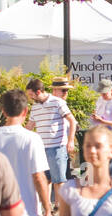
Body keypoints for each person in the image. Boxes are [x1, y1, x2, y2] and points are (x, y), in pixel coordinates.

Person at [27, 77, 77, 205]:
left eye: (31, 94)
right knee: (45, 179)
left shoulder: (57, 102)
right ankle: (47, 206)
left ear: (38, 92)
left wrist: (70, 141)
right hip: (41, 148)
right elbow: (30, 126)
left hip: (57, 146)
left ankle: (59, 208)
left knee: (58, 180)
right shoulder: (35, 107)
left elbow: (72, 121)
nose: (30, 97)